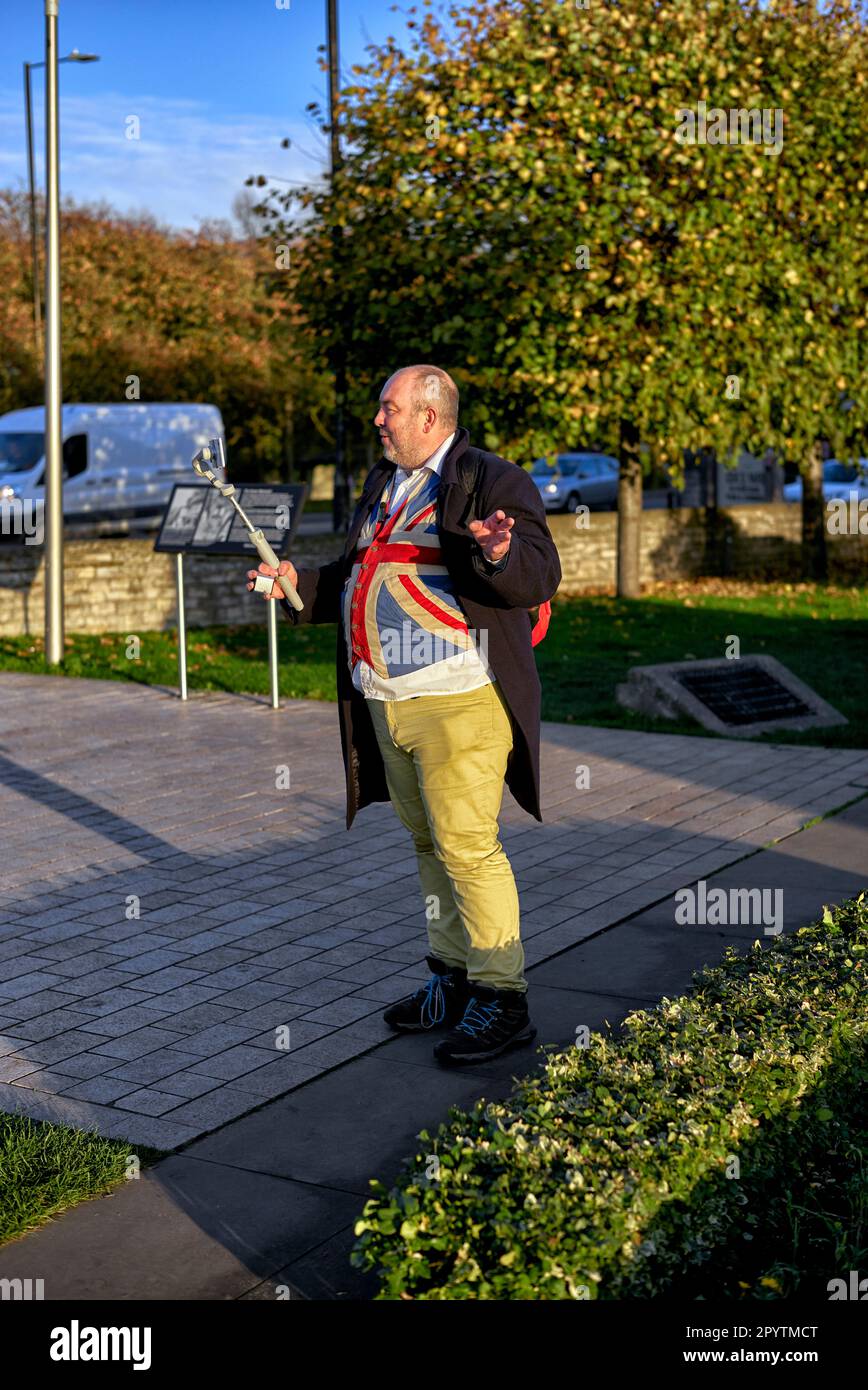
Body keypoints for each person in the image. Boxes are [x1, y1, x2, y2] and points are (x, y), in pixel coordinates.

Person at [246, 365, 561, 1064]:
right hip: (389, 703)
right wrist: (299, 584)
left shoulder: (491, 478)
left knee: (468, 848)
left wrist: (502, 550)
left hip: (458, 701)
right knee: (430, 846)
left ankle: (502, 999)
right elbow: (362, 571)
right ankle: (450, 979)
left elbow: (538, 573)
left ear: (430, 414)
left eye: (389, 409)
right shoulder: (386, 482)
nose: (379, 421)